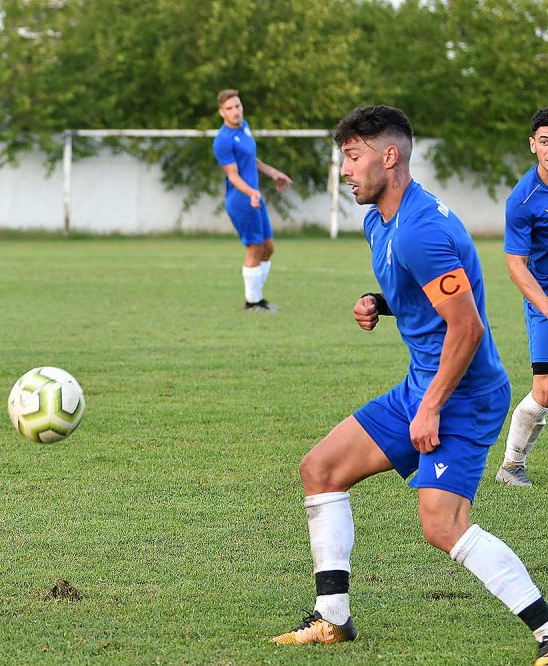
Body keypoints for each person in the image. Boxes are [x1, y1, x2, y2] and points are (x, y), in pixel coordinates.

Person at [270, 106, 548, 666]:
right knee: (320, 469)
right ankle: (333, 619)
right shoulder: (380, 219)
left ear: (388, 156)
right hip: (421, 385)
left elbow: (466, 327)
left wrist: (431, 409)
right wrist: (380, 302)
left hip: (463, 397)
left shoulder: (423, 229)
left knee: (442, 526)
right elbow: (424, 296)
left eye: (353, 156)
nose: (345, 170)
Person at [497, 107, 548, 488]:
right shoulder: (523, 198)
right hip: (542, 294)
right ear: (533, 145)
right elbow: (516, 266)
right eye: (544, 141)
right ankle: (512, 464)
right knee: (544, 390)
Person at [213, 89, 292, 312]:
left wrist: (273, 172)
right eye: (229, 108)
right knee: (254, 248)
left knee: (268, 248)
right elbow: (233, 175)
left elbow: (252, 160)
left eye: (237, 106)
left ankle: (257, 297)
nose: (235, 111)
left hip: (253, 195)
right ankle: (252, 302)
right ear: (222, 112)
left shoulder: (244, 127)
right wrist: (251, 193)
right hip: (241, 199)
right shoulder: (223, 140)